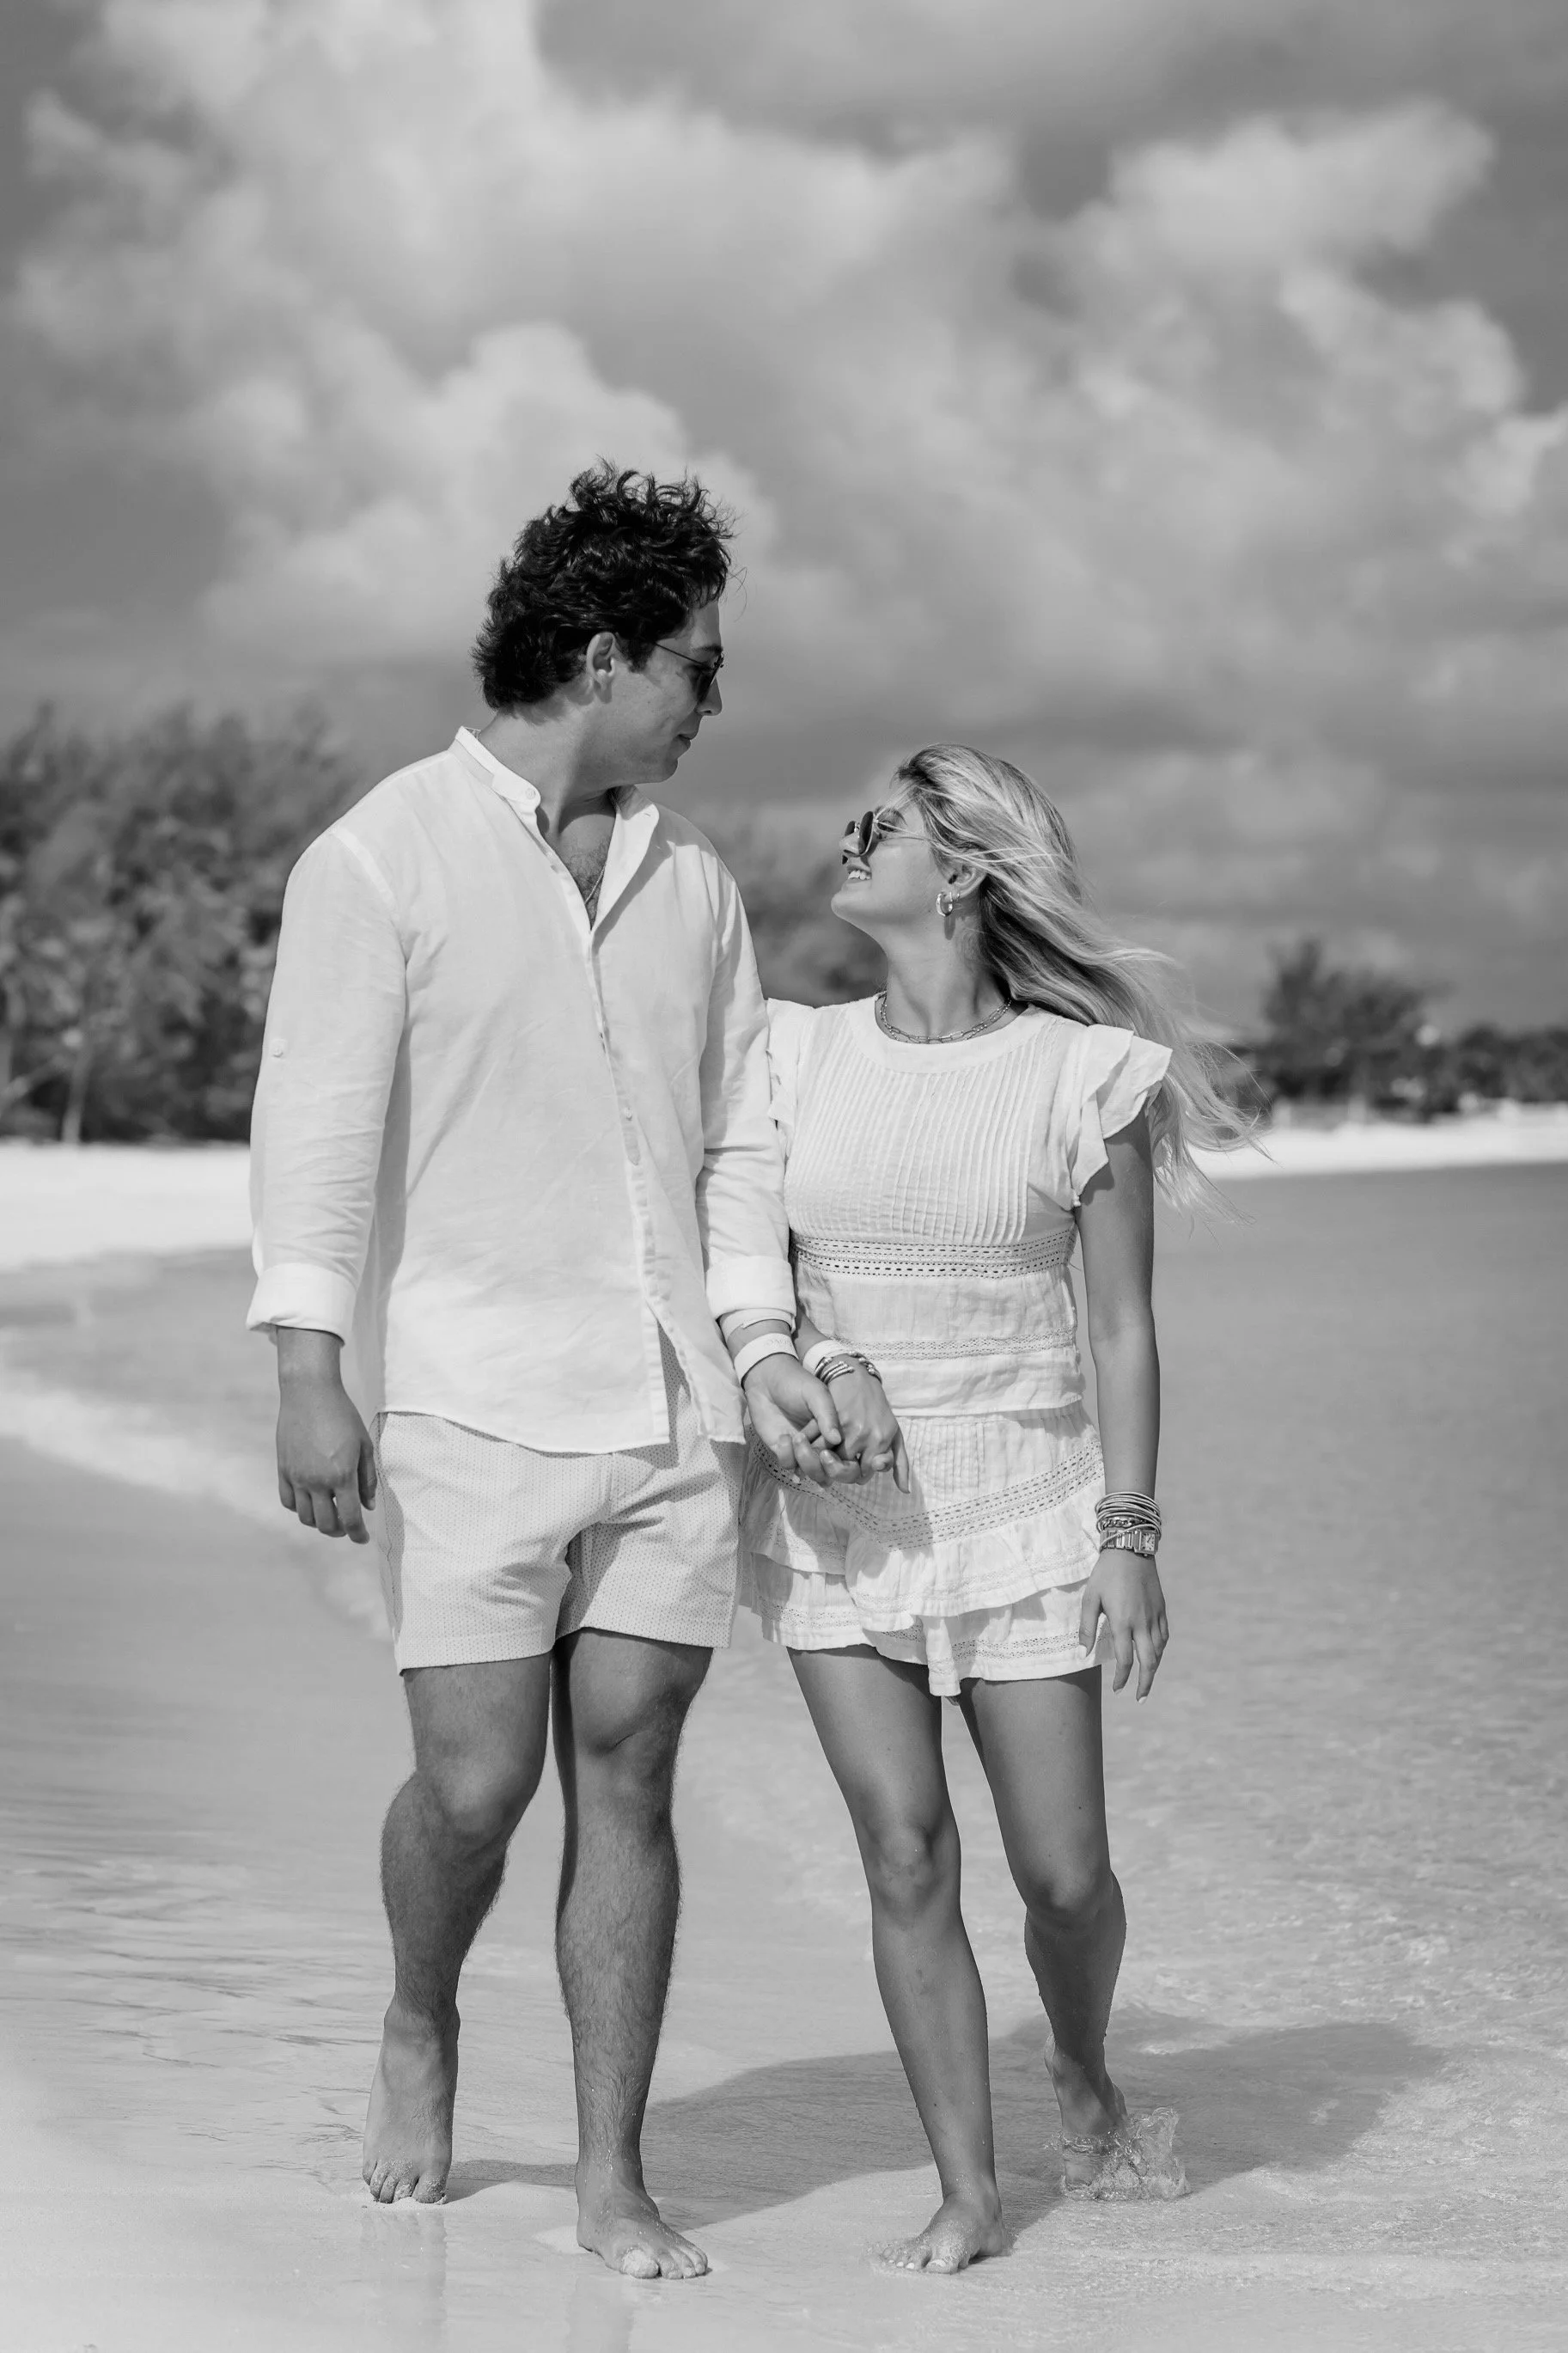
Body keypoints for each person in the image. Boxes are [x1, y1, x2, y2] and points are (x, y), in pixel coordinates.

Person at [247, 465, 839, 2280]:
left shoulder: (696, 890)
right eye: (699, 668)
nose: (711, 705)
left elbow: (740, 1142)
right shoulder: (381, 856)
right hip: (469, 1400)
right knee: (481, 1784)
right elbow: (319, 1133)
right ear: (603, 655)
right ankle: (422, 2008)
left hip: (673, 1412)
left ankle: (611, 2175)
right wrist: (308, 1365)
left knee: (632, 1773)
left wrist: (757, 1346)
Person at [739, 744, 1244, 2272]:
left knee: (1063, 1873)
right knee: (905, 1852)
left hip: (1031, 1502)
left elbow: (1123, 1332)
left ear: (959, 868)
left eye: (876, 821)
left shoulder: (1080, 1074)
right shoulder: (788, 1054)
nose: (846, 833)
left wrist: (1131, 1534)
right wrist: (818, 1359)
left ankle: (1082, 2066)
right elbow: (746, 1270)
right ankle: (967, 2186)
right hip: (845, 1508)